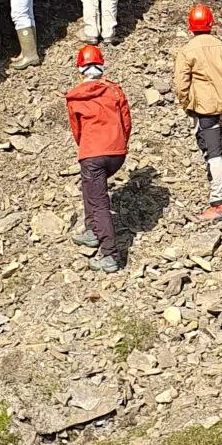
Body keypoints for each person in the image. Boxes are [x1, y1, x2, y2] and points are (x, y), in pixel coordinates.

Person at [65, 43, 131, 273]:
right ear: (101, 66)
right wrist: (121, 143)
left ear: (80, 70)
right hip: (117, 152)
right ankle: (92, 230)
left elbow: (77, 131)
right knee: (90, 189)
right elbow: (126, 121)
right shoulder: (114, 90)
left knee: (98, 200)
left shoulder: (74, 97)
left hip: (92, 153)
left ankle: (110, 254)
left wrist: (87, 148)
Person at [173, 2, 222, 219]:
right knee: (218, 145)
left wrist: (187, 106)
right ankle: (218, 181)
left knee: (213, 155)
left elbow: (181, 85)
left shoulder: (187, 51)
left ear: (190, 25)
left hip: (207, 109)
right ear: (211, 24)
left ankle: (219, 203)